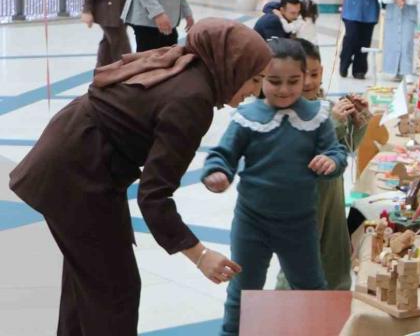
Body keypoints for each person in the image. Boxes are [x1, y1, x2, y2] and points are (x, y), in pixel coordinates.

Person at [8, 18, 271, 336]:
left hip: (77, 154)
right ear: (232, 66)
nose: (256, 91)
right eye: (254, 79)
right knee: (115, 292)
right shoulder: (193, 100)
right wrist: (200, 255)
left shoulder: (187, 67)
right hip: (77, 173)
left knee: (90, 283)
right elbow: (154, 196)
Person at [201, 38, 348, 336]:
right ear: (260, 79)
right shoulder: (247, 117)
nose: (284, 90)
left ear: (305, 77)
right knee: (243, 290)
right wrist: (217, 171)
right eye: (274, 81)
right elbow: (223, 153)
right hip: (251, 222)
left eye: (293, 81)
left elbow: (336, 152)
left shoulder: (317, 116)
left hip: (300, 224)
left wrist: (330, 161)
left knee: (311, 289)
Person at [274, 38, 370, 291]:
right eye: (301, 76)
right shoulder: (283, 112)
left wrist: (359, 121)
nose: (308, 82)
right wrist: (334, 124)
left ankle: (333, 309)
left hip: (332, 200)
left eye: (314, 74)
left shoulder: (326, 105)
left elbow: (346, 147)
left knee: (335, 262)